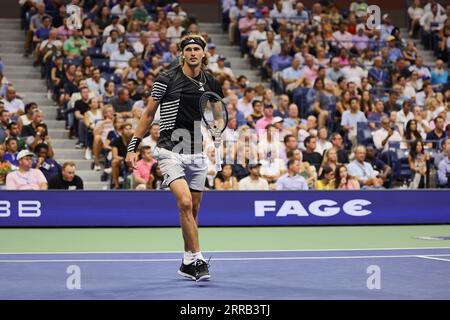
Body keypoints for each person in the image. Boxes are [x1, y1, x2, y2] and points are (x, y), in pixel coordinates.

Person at [125, 33, 222, 281]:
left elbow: (218, 114)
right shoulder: (166, 79)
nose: (192, 53)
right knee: (185, 203)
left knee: (194, 210)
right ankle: (199, 258)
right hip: (170, 150)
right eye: (187, 49)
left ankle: (186, 261)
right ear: (182, 53)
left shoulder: (211, 82)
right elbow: (148, 115)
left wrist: (217, 130)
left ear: (203, 54)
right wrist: (132, 146)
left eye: (196, 49)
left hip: (197, 152)